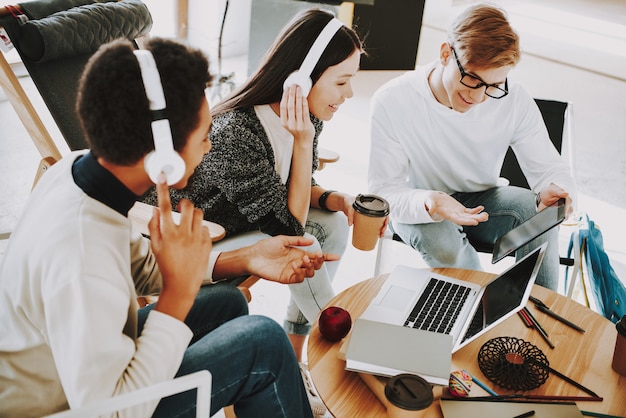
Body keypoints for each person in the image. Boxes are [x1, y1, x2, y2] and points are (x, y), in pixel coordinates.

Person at [0, 38, 337, 418]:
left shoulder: (80, 172)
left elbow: (139, 270)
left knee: (227, 302)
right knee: (265, 343)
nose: (209, 148)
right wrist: (177, 295)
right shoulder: (80, 255)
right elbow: (111, 412)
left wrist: (248, 257)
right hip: (68, 407)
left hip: (76, 370)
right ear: (164, 155)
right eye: (205, 135)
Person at [143, 11, 382, 415]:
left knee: (334, 225)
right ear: (299, 81)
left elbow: (290, 186)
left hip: (248, 216)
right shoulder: (235, 132)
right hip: (199, 229)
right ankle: (345, 347)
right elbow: (288, 224)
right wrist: (303, 143)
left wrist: (334, 198)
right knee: (304, 240)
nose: (349, 95)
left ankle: (297, 345)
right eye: (342, 82)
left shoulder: (303, 114)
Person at [368, 3, 575, 290]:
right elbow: (382, 192)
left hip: (483, 198)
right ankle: (477, 310)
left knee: (540, 216)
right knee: (442, 242)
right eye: (473, 80)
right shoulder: (392, 100)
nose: (479, 98)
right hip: (421, 202)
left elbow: (549, 166)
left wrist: (556, 190)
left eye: (493, 86)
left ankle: (540, 316)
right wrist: (431, 201)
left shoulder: (513, 98)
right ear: (444, 54)